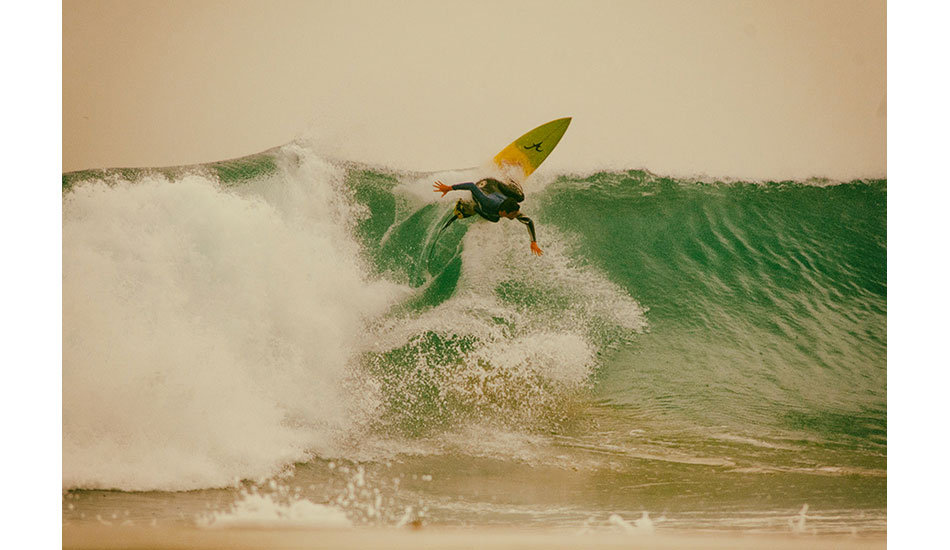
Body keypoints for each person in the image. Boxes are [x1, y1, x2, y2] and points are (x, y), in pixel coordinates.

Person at [433, 178, 543, 256]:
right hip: (488, 184)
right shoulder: (487, 202)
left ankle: (510, 180)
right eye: (513, 214)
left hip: (496, 191)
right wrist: (450, 188)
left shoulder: (510, 210)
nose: (515, 216)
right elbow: (471, 186)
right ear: (504, 212)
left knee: (520, 197)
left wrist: (533, 242)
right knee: (494, 218)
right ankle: (474, 207)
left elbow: (528, 221)